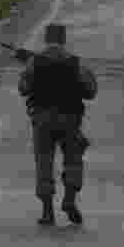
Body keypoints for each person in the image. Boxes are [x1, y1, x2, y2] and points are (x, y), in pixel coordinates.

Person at [17, 23, 98, 226]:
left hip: (42, 119)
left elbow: (23, 87)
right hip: (70, 119)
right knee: (73, 159)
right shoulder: (76, 63)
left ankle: (47, 211)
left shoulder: (35, 62)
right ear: (63, 39)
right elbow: (90, 91)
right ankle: (69, 199)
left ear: (46, 38)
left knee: (44, 163)